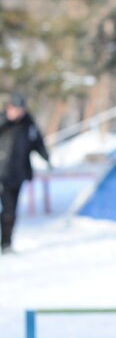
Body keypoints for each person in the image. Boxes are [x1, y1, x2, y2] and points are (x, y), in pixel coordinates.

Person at [0, 93, 50, 253]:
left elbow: (38, 143)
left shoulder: (29, 124)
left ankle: (6, 243)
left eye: (21, 109)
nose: (18, 113)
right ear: (9, 108)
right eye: (15, 109)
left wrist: (46, 157)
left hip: (19, 173)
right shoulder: (2, 122)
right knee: (7, 210)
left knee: (11, 211)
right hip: (2, 172)